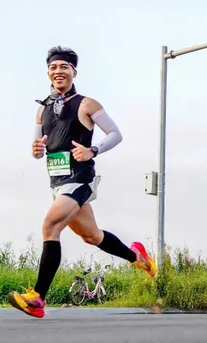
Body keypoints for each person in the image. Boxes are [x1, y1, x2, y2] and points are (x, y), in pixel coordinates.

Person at [9, 46, 156, 318]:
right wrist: (36, 150)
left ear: (73, 72)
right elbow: (37, 148)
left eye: (64, 67)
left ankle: (37, 298)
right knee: (92, 236)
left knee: (50, 225)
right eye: (53, 68)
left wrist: (93, 150)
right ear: (48, 73)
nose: (58, 71)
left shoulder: (87, 104)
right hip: (58, 182)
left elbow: (115, 134)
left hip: (79, 179)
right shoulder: (42, 110)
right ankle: (139, 258)